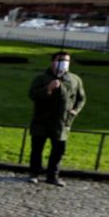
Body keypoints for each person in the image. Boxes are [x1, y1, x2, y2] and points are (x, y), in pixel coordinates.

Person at [28, 51, 86, 187]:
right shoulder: (41, 78)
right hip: (42, 120)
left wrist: (75, 111)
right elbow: (32, 94)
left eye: (67, 61)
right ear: (53, 62)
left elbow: (81, 98)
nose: (64, 63)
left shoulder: (74, 79)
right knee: (37, 149)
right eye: (61, 60)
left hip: (62, 121)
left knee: (58, 151)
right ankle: (34, 173)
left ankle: (52, 176)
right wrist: (48, 89)